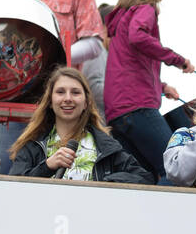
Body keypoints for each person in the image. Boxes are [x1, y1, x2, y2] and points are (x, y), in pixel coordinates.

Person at [0, 0, 106, 171]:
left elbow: (93, 42)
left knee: (64, 174)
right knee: (6, 170)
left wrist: (51, 60)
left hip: (63, 106)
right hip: (11, 103)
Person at [104, 0, 194, 181]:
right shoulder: (146, 9)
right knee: (175, 171)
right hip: (138, 107)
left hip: (118, 114)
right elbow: (138, 37)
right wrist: (178, 59)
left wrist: (162, 87)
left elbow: (129, 65)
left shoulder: (123, 16)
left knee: (145, 177)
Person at [9, 67, 154, 184]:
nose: (68, 98)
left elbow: (143, 177)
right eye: (60, 92)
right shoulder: (33, 144)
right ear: (50, 102)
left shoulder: (105, 146)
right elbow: (12, 186)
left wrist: (103, 184)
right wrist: (46, 167)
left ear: (86, 103)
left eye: (75, 93)